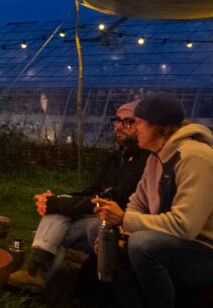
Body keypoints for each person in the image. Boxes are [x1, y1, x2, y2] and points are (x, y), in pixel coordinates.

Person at [93, 92, 213, 308]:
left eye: (138, 123)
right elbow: (137, 203)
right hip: (181, 246)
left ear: (158, 127)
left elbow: (184, 226)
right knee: (112, 238)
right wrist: (121, 228)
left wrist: (125, 221)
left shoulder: (195, 158)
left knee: (144, 244)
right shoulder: (156, 158)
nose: (135, 129)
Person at [8, 100, 149, 290]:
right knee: (59, 214)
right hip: (100, 219)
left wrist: (57, 204)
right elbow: (92, 191)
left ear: (144, 125)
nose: (119, 127)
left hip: (122, 225)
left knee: (59, 220)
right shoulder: (117, 158)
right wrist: (59, 199)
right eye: (117, 121)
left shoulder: (146, 160)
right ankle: (34, 274)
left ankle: (35, 273)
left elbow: (116, 199)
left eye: (128, 122)